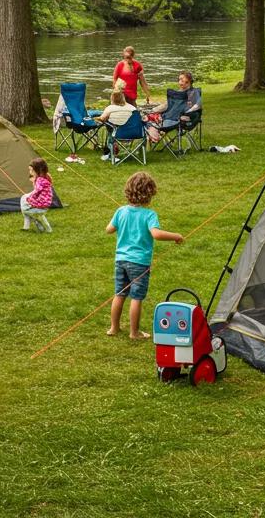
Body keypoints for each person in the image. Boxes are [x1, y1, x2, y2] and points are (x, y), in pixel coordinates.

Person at [105, 171, 183, 339]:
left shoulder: (121, 211)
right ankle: (134, 333)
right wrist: (176, 236)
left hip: (121, 261)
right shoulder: (149, 214)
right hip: (139, 263)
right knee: (136, 297)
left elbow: (109, 230)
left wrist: (121, 220)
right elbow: (156, 234)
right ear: (149, 193)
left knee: (119, 294)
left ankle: (114, 328)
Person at [145, 71, 202, 144]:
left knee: (147, 119)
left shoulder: (188, 94)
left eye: (182, 79)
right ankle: (155, 134)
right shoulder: (189, 92)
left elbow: (196, 106)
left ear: (188, 81)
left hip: (174, 120)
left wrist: (152, 110)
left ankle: (154, 136)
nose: (180, 82)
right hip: (179, 120)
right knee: (150, 117)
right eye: (179, 79)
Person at [96, 90, 138, 162]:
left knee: (110, 127)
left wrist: (97, 118)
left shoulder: (110, 108)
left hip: (116, 134)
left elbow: (102, 119)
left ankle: (110, 154)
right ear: (123, 98)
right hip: (134, 134)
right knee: (114, 127)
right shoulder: (132, 108)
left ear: (112, 99)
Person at [21, 158, 54, 233]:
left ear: (39, 170)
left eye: (31, 170)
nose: (30, 172)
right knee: (24, 198)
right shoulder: (44, 177)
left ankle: (35, 223)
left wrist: (30, 198)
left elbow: (37, 190)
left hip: (42, 203)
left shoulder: (40, 180)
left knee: (25, 210)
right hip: (45, 201)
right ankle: (42, 227)